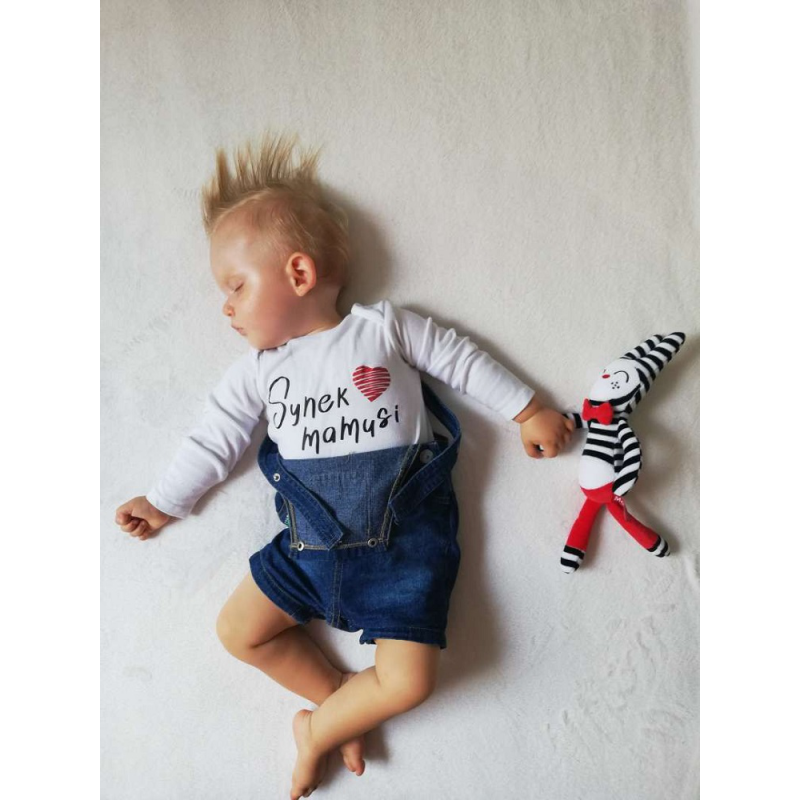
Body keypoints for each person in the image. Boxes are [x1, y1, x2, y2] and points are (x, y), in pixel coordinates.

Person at [114, 132, 574, 799]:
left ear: (299, 274)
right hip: (307, 547)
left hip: (403, 552)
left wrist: (527, 409)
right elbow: (213, 439)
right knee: (238, 632)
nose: (226, 307)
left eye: (236, 286)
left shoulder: (384, 329)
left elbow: (461, 361)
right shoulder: (258, 373)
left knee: (410, 683)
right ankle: (335, 701)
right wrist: (164, 501)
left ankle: (318, 732)